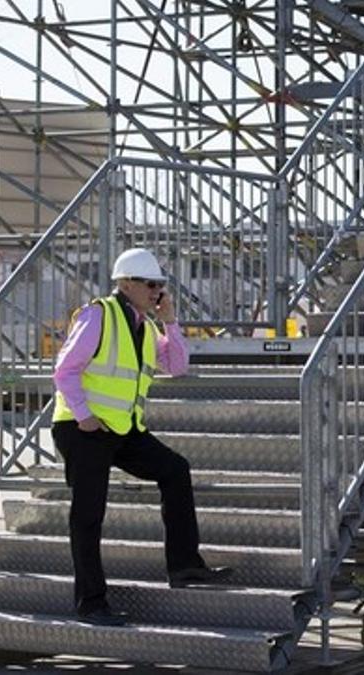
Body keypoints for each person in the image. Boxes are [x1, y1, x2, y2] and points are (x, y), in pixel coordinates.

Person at [50, 247, 232, 626]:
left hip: (122, 429)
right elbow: (64, 370)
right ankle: (91, 603)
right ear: (127, 284)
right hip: (83, 429)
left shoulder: (146, 327)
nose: (157, 291)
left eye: (161, 286)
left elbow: (177, 366)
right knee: (88, 515)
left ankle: (184, 566)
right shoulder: (98, 314)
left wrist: (171, 322)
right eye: (151, 285)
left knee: (175, 470)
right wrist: (83, 416)